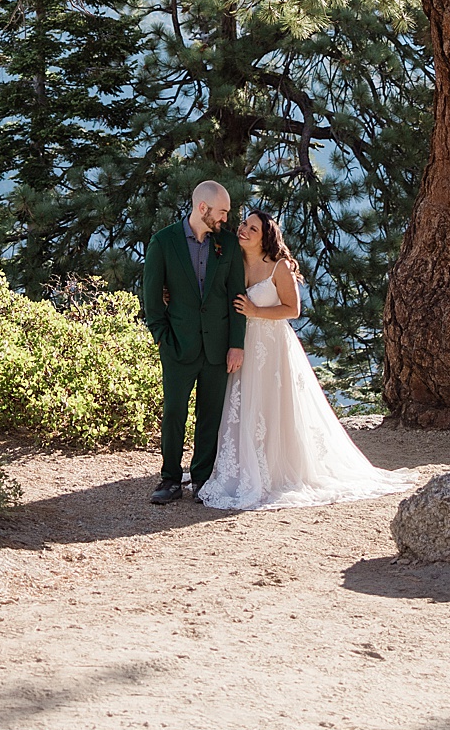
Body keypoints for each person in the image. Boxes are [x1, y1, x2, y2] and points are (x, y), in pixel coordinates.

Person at [198, 208, 418, 511]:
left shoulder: (279, 267)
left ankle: (275, 471)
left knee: (272, 407)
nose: (244, 230)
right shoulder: (234, 260)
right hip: (243, 344)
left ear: (265, 239)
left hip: (272, 346)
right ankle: (240, 467)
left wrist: (256, 311)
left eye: (253, 228)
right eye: (244, 224)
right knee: (243, 404)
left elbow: (292, 309)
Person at [140, 181, 246, 504]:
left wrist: (236, 343)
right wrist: (163, 339)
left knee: (210, 414)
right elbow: (152, 301)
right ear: (203, 208)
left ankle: (202, 479)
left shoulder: (227, 246)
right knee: (174, 413)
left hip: (218, 347)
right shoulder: (163, 242)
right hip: (178, 346)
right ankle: (170, 479)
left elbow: (236, 297)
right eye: (222, 212)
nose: (226, 220)